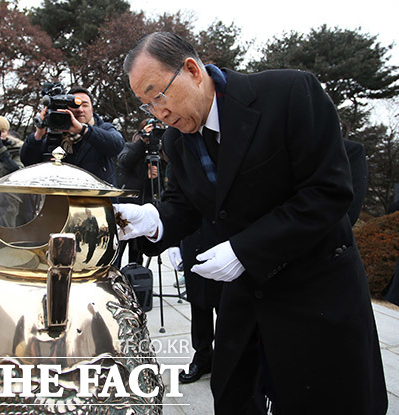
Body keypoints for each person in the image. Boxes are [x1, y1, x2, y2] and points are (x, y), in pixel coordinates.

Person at [115, 32, 387, 414]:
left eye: (158, 95)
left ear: (192, 70)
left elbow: (328, 192)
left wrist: (245, 249)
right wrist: (152, 219)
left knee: (324, 400)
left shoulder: (288, 94)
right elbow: (185, 204)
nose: (159, 113)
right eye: (147, 106)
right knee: (233, 395)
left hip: (316, 290)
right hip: (247, 297)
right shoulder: (178, 140)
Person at [20, 85, 124, 186]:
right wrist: (39, 133)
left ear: (92, 110)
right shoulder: (56, 132)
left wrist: (83, 130)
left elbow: (117, 145)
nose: (80, 109)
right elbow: (28, 161)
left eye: (85, 105)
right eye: (75, 105)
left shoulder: (104, 129)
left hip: (97, 199)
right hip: (62, 199)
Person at [115, 118, 168, 266]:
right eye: (151, 130)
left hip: (144, 208)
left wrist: (156, 176)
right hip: (126, 206)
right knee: (116, 251)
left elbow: (163, 186)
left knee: (137, 254)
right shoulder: (130, 146)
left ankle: (137, 281)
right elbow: (124, 162)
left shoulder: (160, 154)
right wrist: (142, 141)